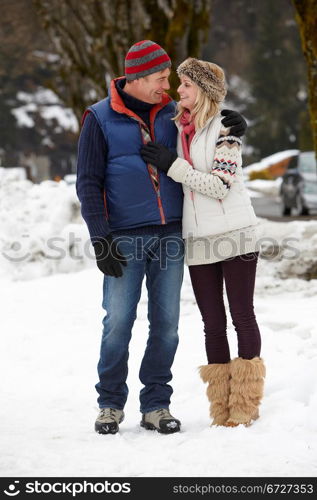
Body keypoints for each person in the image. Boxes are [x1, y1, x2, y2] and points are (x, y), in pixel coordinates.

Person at [76, 41, 247, 435]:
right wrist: (100, 237)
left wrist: (236, 121)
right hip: (123, 238)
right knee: (118, 322)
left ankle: (156, 404)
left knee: (166, 324)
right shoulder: (99, 118)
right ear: (135, 78)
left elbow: (210, 127)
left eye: (169, 78)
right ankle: (110, 405)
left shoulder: (175, 115)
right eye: (158, 78)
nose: (166, 86)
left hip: (171, 233)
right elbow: (88, 183)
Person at [141, 57, 265, 428]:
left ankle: (245, 401)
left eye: (187, 85)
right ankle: (220, 405)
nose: (179, 91)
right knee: (212, 322)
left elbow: (219, 185)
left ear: (204, 91)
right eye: (179, 84)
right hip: (197, 238)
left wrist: (171, 165)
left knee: (242, 316)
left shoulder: (226, 128)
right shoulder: (177, 126)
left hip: (235, 234)